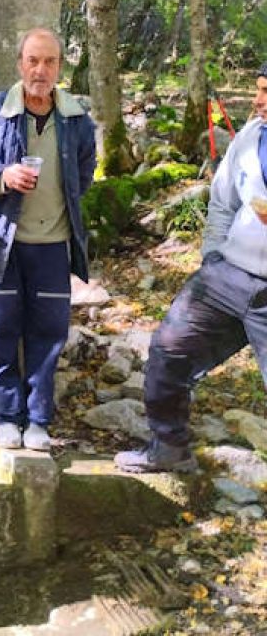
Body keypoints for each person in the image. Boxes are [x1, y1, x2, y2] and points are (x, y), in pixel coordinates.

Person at [116, 62, 267, 473]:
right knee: (169, 350)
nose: (258, 101)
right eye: (258, 90)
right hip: (227, 276)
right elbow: (221, 202)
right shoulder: (251, 137)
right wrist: (213, 257)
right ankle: (169, 448)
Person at [0, 28, 96, 451]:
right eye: (33, 60)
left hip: (52, 244)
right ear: (20, 64)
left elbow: (84, 174)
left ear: (59, 69)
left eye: (49, 62)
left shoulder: (76, 119)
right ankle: (6, 417)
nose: (41, 70)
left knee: (48, 334)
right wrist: (1, 177)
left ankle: (37, 421)